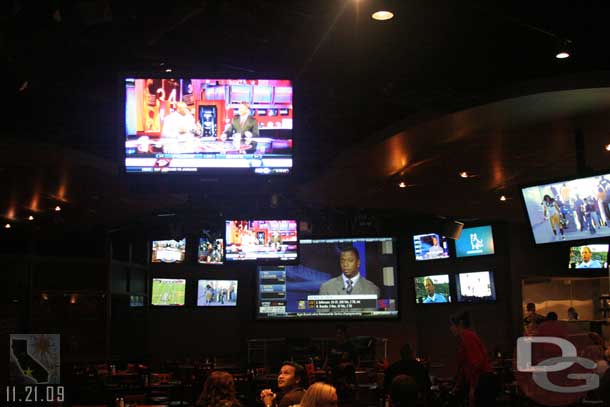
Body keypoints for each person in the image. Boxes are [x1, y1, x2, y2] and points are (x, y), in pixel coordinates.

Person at [450, 312, 498, 407]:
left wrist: (473, 386)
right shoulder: (468, 336)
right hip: (482, 379)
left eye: (452, 325)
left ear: (460, 324)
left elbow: (476, 363)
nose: (450, 328)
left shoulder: (466, 336)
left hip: (482, 381)